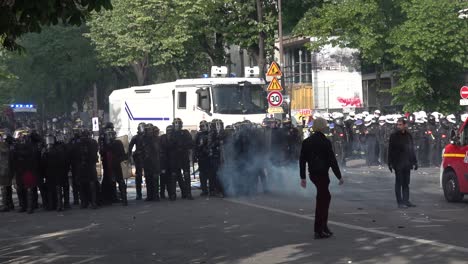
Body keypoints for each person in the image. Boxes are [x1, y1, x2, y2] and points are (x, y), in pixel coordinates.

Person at [299, 117, 344, 239]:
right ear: (322, 127)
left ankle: (323, 227)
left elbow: (302, 161)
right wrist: (339, 176)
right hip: (322, 173)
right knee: (322, 201)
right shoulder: (325, 141)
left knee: (324, 198)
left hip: (313, 173)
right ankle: (319, 229)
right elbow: (332, 160)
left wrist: (303, 177)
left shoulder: (307, 141)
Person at [388, 118, 418, 209]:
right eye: (398, 125)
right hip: (398, 163)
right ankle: (400, 202)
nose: (399, 126)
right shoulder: (394, 136)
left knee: (406, 183)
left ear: (405, 125)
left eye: (400, 124)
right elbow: (390, 150)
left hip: (407, 163)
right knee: (399, 183)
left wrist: (415, 162)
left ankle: (406, 200)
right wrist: (390, 163)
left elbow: (412, 150)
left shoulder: (408, 135)